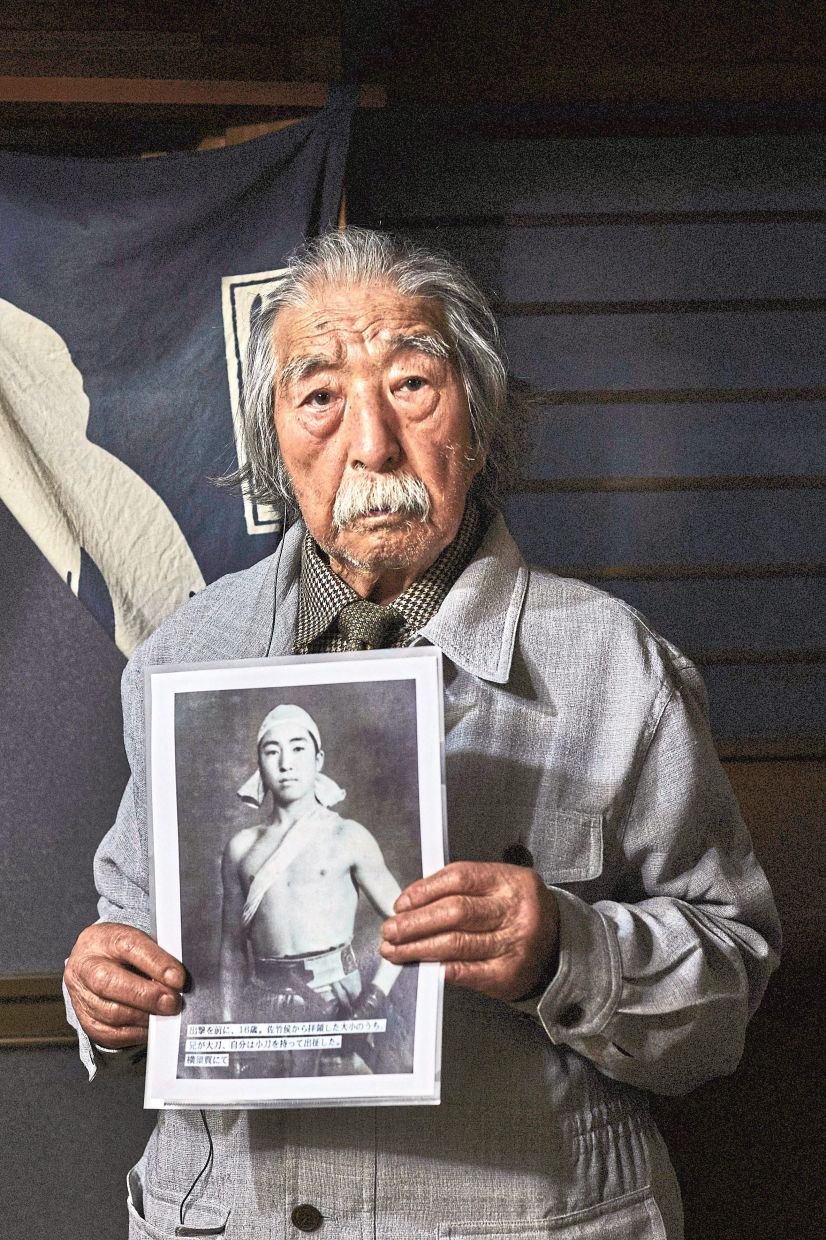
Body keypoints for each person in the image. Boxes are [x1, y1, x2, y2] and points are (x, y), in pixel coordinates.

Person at [64, 227, 780, 1239]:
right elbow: (129, 927)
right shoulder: (185, 657)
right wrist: (102, 992)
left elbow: (725, 995)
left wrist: (564, 951)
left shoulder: (616, 665)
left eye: (410, 386)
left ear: (479, 424)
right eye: (319, 397)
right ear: (275, 445)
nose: (370, 443)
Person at [220, 703, 402, 1076]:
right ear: (260, 762)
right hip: (264, 1008)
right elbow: (232, 949)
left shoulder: (348, 836)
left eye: (299, 748)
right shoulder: (241, 848)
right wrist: (229, 1027)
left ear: (318, 759)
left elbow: (411, 923)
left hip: (339, 1003)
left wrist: (373, 998)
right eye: (272, 751)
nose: (286, 763)